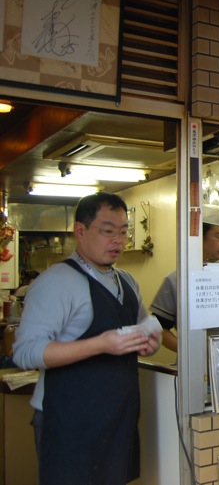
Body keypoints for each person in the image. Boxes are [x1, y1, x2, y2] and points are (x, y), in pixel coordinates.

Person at [13, 192, 161, 485]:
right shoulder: (56, 282)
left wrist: (150, 342)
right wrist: (100, 345)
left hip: (118, 419)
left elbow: (145, 327)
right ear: (80, 231)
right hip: (69, 422)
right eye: (107, 231)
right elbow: (25, 352)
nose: (118, 240)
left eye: (123, 232)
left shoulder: (127, 281)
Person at [150, 204, 219, 352]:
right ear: (201, 236)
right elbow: (159, 328)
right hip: (194, 364)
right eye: (218, 236)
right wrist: (189, 354)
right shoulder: (177, 279)